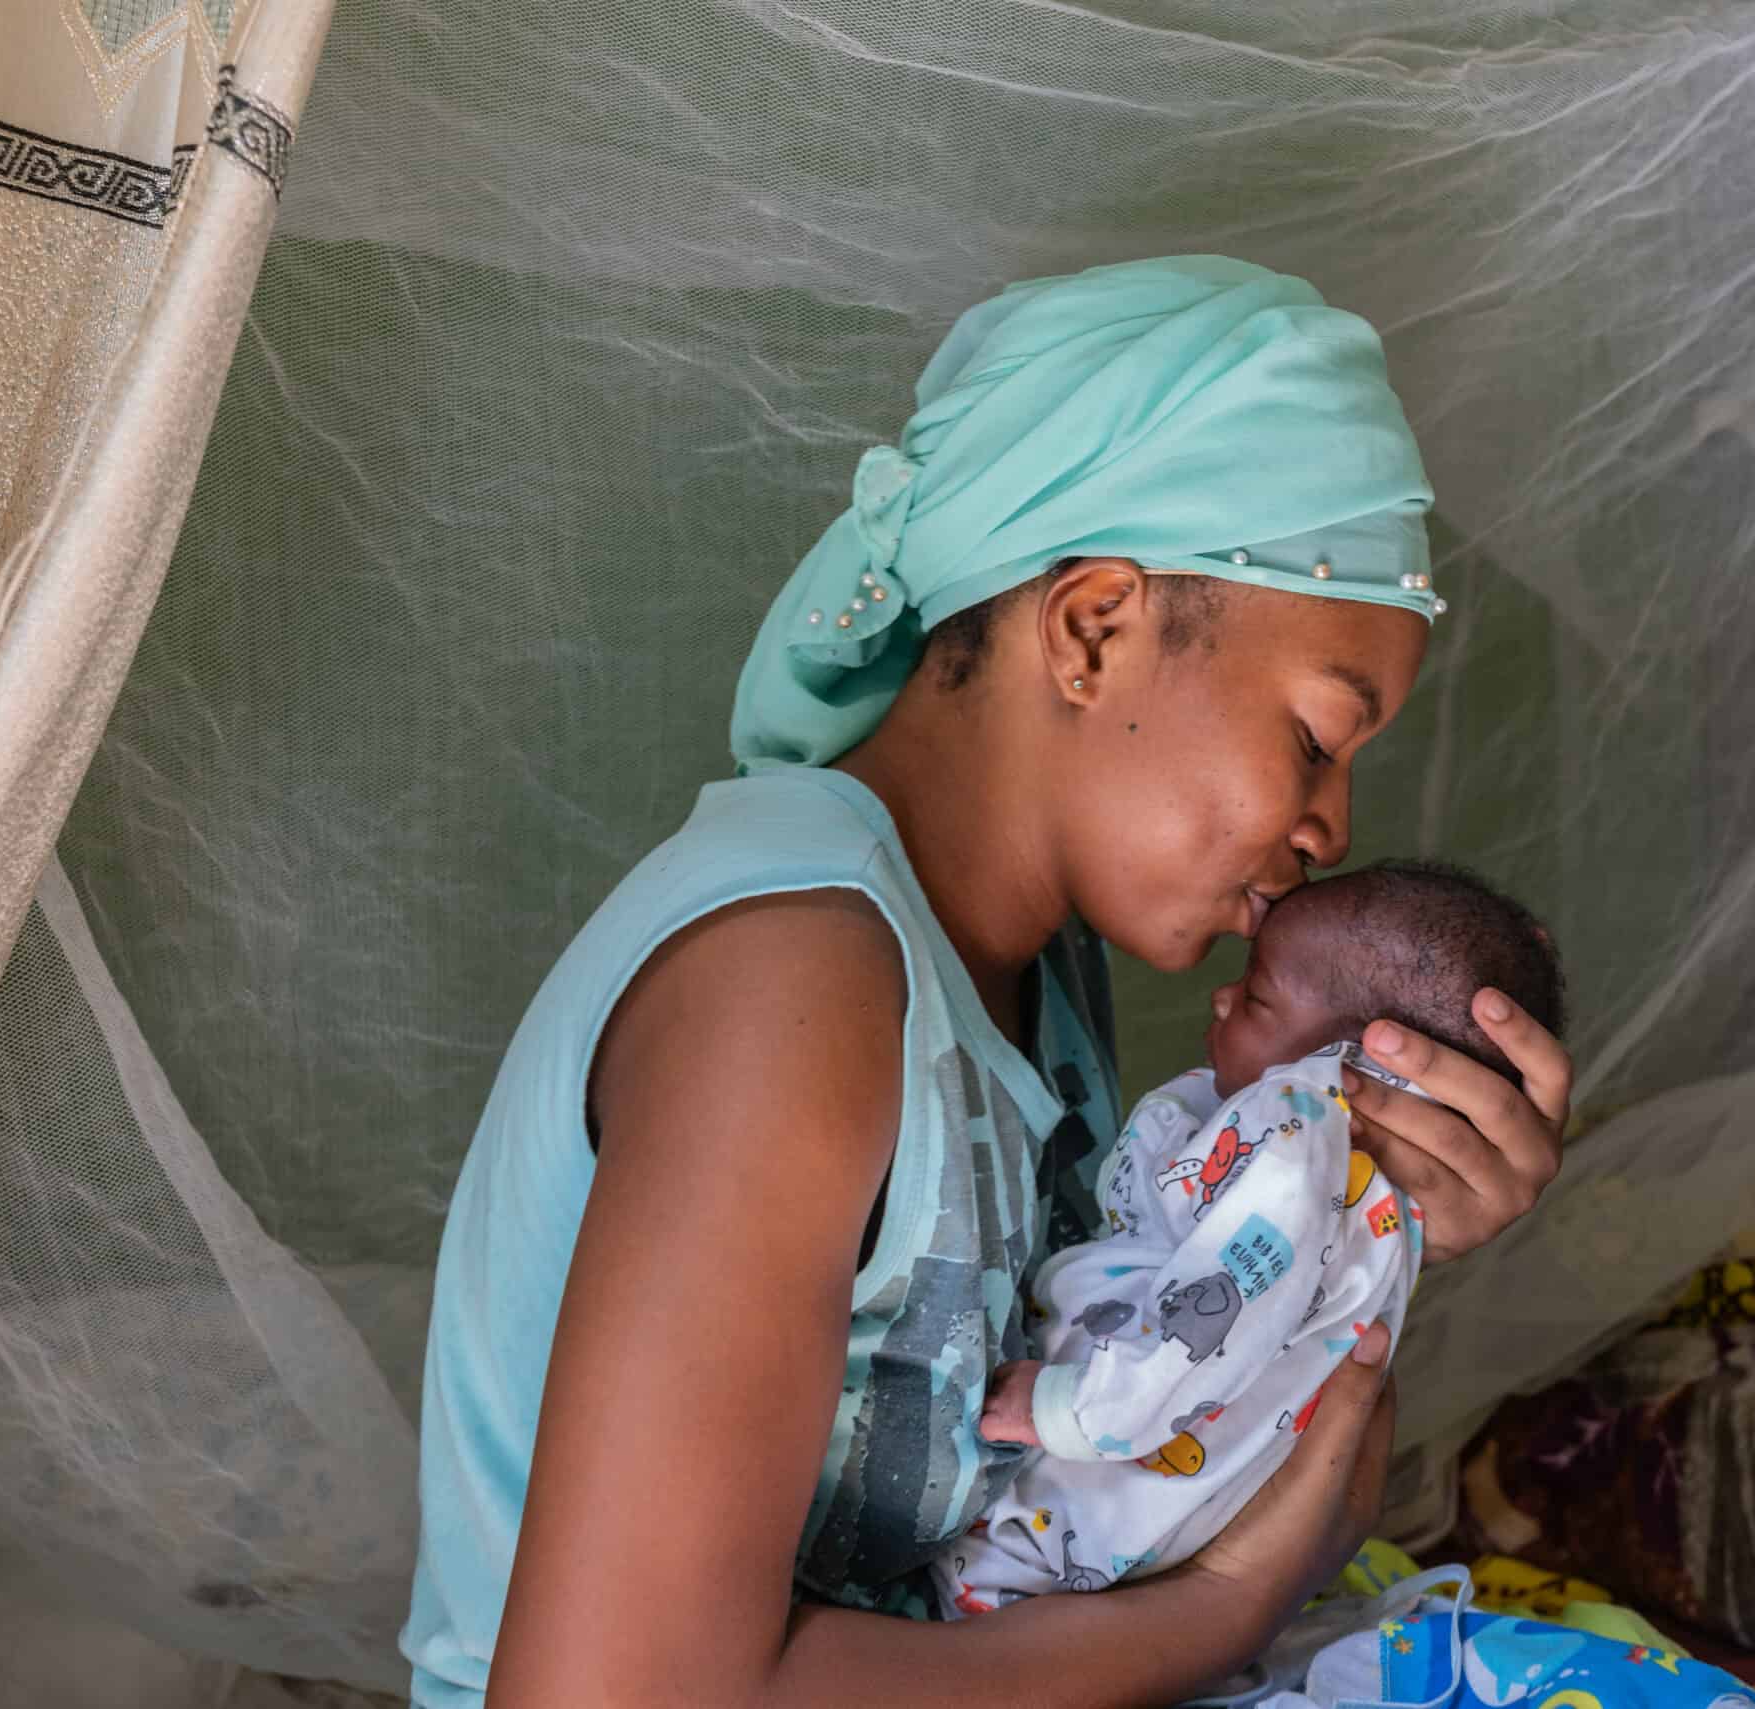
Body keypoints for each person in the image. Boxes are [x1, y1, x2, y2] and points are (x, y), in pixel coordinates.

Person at [399, 255, 1574, 1709]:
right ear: (1093, 628)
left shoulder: (1028, 974)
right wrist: (1222, 1606)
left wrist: (1358, 1227)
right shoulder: (797, 982)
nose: (1331, 826)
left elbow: (1116, 1432)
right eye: (1319, 737)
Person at [937, 862, 1564, 1615]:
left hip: (1101, 1451)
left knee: (977, 1597)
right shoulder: (1331, 1179)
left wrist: (1072, 1408)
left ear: (1363, 1062)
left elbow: (1207, 1318)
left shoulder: (1301, 1139)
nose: (1222, 997)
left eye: (1258, 996)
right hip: (1142, 1494)